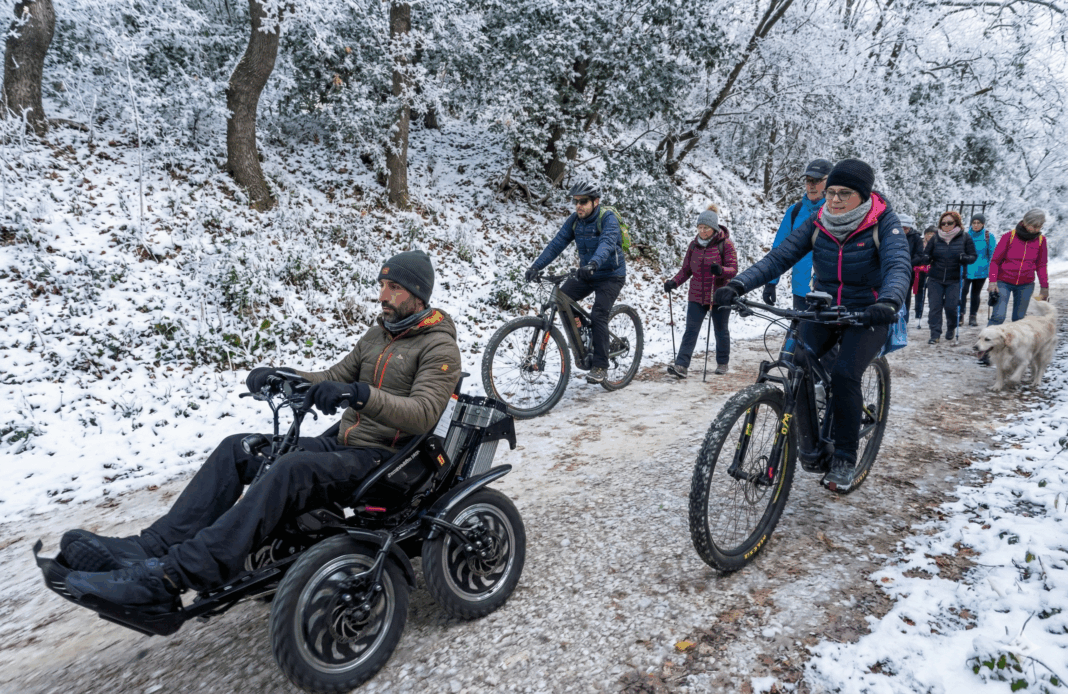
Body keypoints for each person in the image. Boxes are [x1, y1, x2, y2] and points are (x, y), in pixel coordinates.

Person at [60, 251, 463, 608]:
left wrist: (359, 395)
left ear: (416, 293)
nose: (382, 296)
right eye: (381, 285)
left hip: (389, 461)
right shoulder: (377, 336)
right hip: (345, 444)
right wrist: (280, 376)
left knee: (292, 469)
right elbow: (331, 376)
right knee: (240, 448)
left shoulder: (438, 347)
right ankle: (149, 548)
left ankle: (173, 575)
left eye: (393, 287)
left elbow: (423, 412)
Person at [714, 158, 911, 493]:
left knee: (846, 374)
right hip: (823, 306)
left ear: (862, 196)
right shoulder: (819, 221)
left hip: (867, 313)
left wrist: (889, 301)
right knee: (797, 363)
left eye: (843, 194)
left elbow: (898, 265)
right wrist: (738, 285)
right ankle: (811, 446)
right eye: (831, 192)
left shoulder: (884, 223)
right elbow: (779, 257)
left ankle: (846, 457)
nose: (834, 200)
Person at [525, 180, 626, 384]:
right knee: (562, 300)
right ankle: (585, 339)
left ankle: (600, 365)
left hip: (610, 275)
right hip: (587, 273)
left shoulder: (607, 219)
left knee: (599, 314)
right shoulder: (575, 221)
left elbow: (607, 243)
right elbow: (557, 244)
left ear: (595, 202)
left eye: (583, 201)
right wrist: (536, 266)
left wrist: (594, 263)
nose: (578, 205)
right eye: (576, 201)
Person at [664, 205, 739, 377]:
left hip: (719, 295)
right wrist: (673, 283)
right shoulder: (693, 246)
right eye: (699, 227)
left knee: (721, 330)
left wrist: (721, 270)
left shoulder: (725, 244)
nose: (702, 231)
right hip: (697, 295)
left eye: (705, 228)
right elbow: (686, 270)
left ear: (713, 228)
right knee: (691, 329)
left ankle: (722, 362)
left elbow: (733, 269)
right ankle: (681, 365)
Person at [761, 158, 832, 309]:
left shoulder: (836, 212)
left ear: (830, 181)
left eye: (817, 180)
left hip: (829, 293)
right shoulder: (795, 211)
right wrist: (771, 282)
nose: (811, 185)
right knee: (798, 332)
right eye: (808, 180)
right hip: (800, 292)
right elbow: (779, 249)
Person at [988, 207, 1050, 325]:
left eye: (1039, 227)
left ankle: (1015, 343)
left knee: (1019, 319)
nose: (1036, 229)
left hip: (1026, 285)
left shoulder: (1041, 240)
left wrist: (1044, 287)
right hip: (1003, 282)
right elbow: (995, 261)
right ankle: (986, 342)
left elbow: (1041, 265)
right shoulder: (1009, 237)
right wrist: (992, 281)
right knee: (998, 316)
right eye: (1034, 226)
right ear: (1026, 222)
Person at [922, 211, 977, 344]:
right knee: (935, 307)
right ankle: (935, 334)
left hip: (954, 279)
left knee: (951, 307)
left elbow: (973, 256)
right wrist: (926, 258)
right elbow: (925, 255)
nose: (946, 225)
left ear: (956, 223)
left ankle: (951, 327)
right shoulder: (935, 238)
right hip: (935, 278)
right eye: (943, 223)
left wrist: (965, 258)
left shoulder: (965, 237)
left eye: (949, 223)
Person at [960, 213, 996, 327]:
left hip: (981, 270)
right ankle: (960, 315)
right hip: (966, 268)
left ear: (983, 224)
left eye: (978, 223)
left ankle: (973, 316)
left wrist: (992, 270)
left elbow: (992, 254)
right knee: (963, 292)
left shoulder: (988, 237)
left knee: (975, 293)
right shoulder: (965, 235)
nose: (976, 225)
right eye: (974, 223)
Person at [897, 214, 926, 319]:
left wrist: (908, 263)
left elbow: (919, 255)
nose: (904, 230)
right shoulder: (892, 235)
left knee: (906, 297)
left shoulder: (916, 237)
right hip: (893, 269)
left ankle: (905, 319)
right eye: (902, 227)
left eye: (906, 228)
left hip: (908, 270)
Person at [914, 226, 936, 328]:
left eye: (933, 234)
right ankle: (918, 312)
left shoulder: (937, 244)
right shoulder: (920, 243)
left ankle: (932, 313)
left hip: (932, 272)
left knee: (932, 293)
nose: (930, 236)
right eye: (928, 234)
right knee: (919, 292)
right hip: (919, 271)